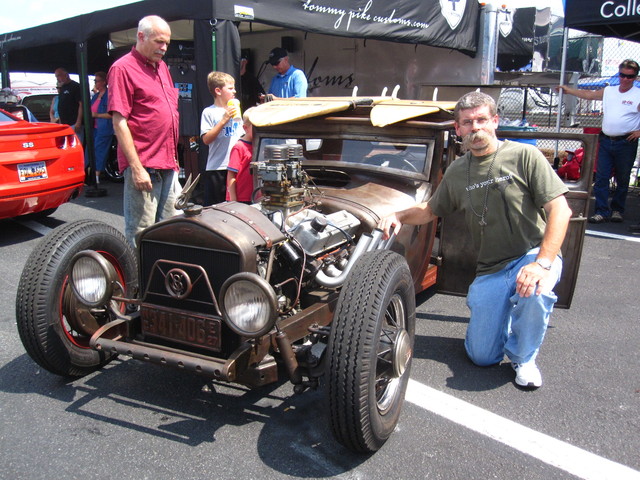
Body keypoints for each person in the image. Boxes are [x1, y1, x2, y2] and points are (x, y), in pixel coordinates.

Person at [379, 91, 572, 389]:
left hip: (531, 255)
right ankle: (501, 320)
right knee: (482, 357)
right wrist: (399, 215)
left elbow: (561, 209)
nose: (476, 128)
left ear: (495, 121)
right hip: (492, 267)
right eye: (468, 123)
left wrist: (542, 263)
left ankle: (524, 357)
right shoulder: (457, 171)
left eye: (482, 120)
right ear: (458, 129)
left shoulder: (524, 155)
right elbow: (431, 210)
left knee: (536, 291)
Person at [107, 15, 180, 247]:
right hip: (145, 166)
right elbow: (119, 122)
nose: (164, 48)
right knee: (141, 234)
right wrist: (137, 169)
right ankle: (138, 283)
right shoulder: (122, 68)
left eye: (166, 43)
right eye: (159, 42)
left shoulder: (162, 68)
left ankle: (163, 281)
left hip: (168, 164)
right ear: (141, 36)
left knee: (169, 231)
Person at [557, 59, 640, 224]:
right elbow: (589, 95)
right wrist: (569, 91)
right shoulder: (609, 91)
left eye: (629, 77)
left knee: (623, 178)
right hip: (606, 140)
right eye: (622, 75)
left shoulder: (637, 95)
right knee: (601, 177)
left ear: (635, 78)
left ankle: (617, 209)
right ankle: (601, 210)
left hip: (626, 142)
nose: (625, 79)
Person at [200, 71, 244, 205]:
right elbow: (206, 139)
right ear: (218, 91)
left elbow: (241, 136)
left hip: (236, 166)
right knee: (215, 207)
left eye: (234, 88)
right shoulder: (209, 112)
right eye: (230, 88)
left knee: (235, 205)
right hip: (218, 167)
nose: (234, 91)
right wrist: (224, 120)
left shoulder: (236, 109)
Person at [86, 71, 114, 184]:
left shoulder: (109, 95)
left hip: (105, 128)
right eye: (95, 81)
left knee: (99, 151)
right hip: (94, 127)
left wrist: (96, 115)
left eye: (97, 81)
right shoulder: (96, 96)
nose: (95, 83)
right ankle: (90, 173)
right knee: (90, 150)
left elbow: (111, 114)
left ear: (103, 82)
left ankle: (96, 176)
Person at [226, 107, 255, 203]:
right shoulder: (239, 147)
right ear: (245, 128)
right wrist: (233, 200)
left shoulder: (260, 145)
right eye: (256, 127)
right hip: (241, 199)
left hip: (255, 196)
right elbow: (231, 175)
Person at [54, 67, 82, 134]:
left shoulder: (76, 86)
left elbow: (81, 104)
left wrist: (78, 122)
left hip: (74, 123)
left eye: (58, 76)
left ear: (66, 75)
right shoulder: (63, 87)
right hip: (64, 124)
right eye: (56, 76)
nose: (57, 78)